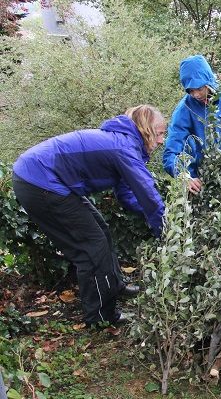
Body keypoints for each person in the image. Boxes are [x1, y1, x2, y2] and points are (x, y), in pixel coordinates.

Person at [12, 105, 167, 327]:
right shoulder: (124, 148)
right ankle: (100, 317)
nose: (161, 140)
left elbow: (128, 195)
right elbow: (149, 196)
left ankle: (115, 287)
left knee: (101, 231)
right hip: (39, 182)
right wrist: (165, 228)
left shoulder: (125, 144)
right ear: (145, 129)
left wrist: (150, 213)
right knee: (92, 247)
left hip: (51, 181)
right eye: (160, 133)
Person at [162, 55, 221, 194]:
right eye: (191, 91)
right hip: (204, 179)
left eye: (199, 89)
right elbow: (171, 152)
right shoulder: (184, 110)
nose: (196, 95)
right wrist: (184, 176)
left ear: (208, 81)